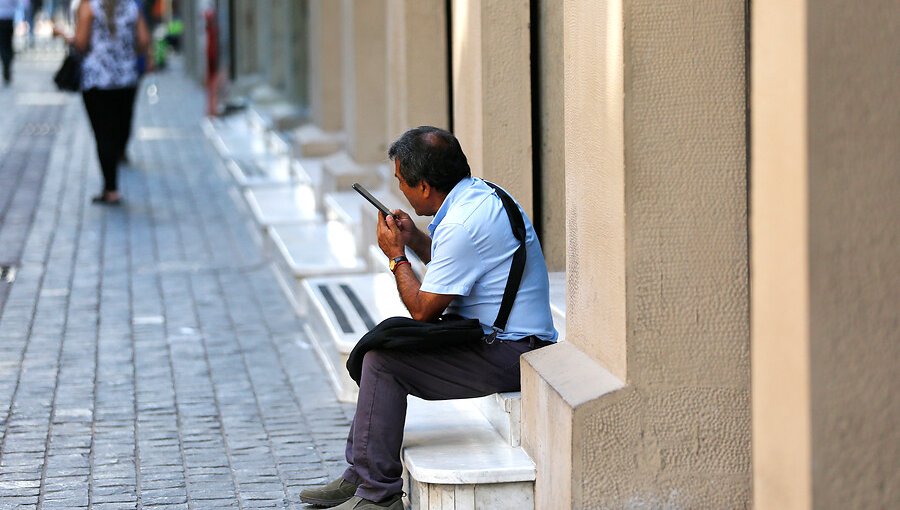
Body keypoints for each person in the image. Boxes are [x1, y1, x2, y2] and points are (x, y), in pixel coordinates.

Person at [299, 126, 558, 510]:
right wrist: (417, 240)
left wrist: (396, 255)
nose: (399, 189)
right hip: (493, 336)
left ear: (423, 187)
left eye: (402, 181)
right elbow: (457, 267)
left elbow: (422, 310)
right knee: (384, 346)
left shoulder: (461, 224)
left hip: (511, 351)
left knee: (384, 362)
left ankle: (378, 495)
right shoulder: (479, 195)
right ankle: (360, 476)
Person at [69, 0, 149, 204]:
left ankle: (111, 188)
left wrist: (62, 35)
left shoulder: (89, 6)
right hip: (126, 77)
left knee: (102, 134)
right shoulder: (131, 7)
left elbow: (80, 42)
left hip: (97, 80)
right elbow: (143, 40)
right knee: (122, 122)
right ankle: (119, 152)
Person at [0, 0, 18, 86]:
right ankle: (6, 66)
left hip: (5, 18)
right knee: (7, 45)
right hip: (8, 18)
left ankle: (6, 66)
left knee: (4, 46)